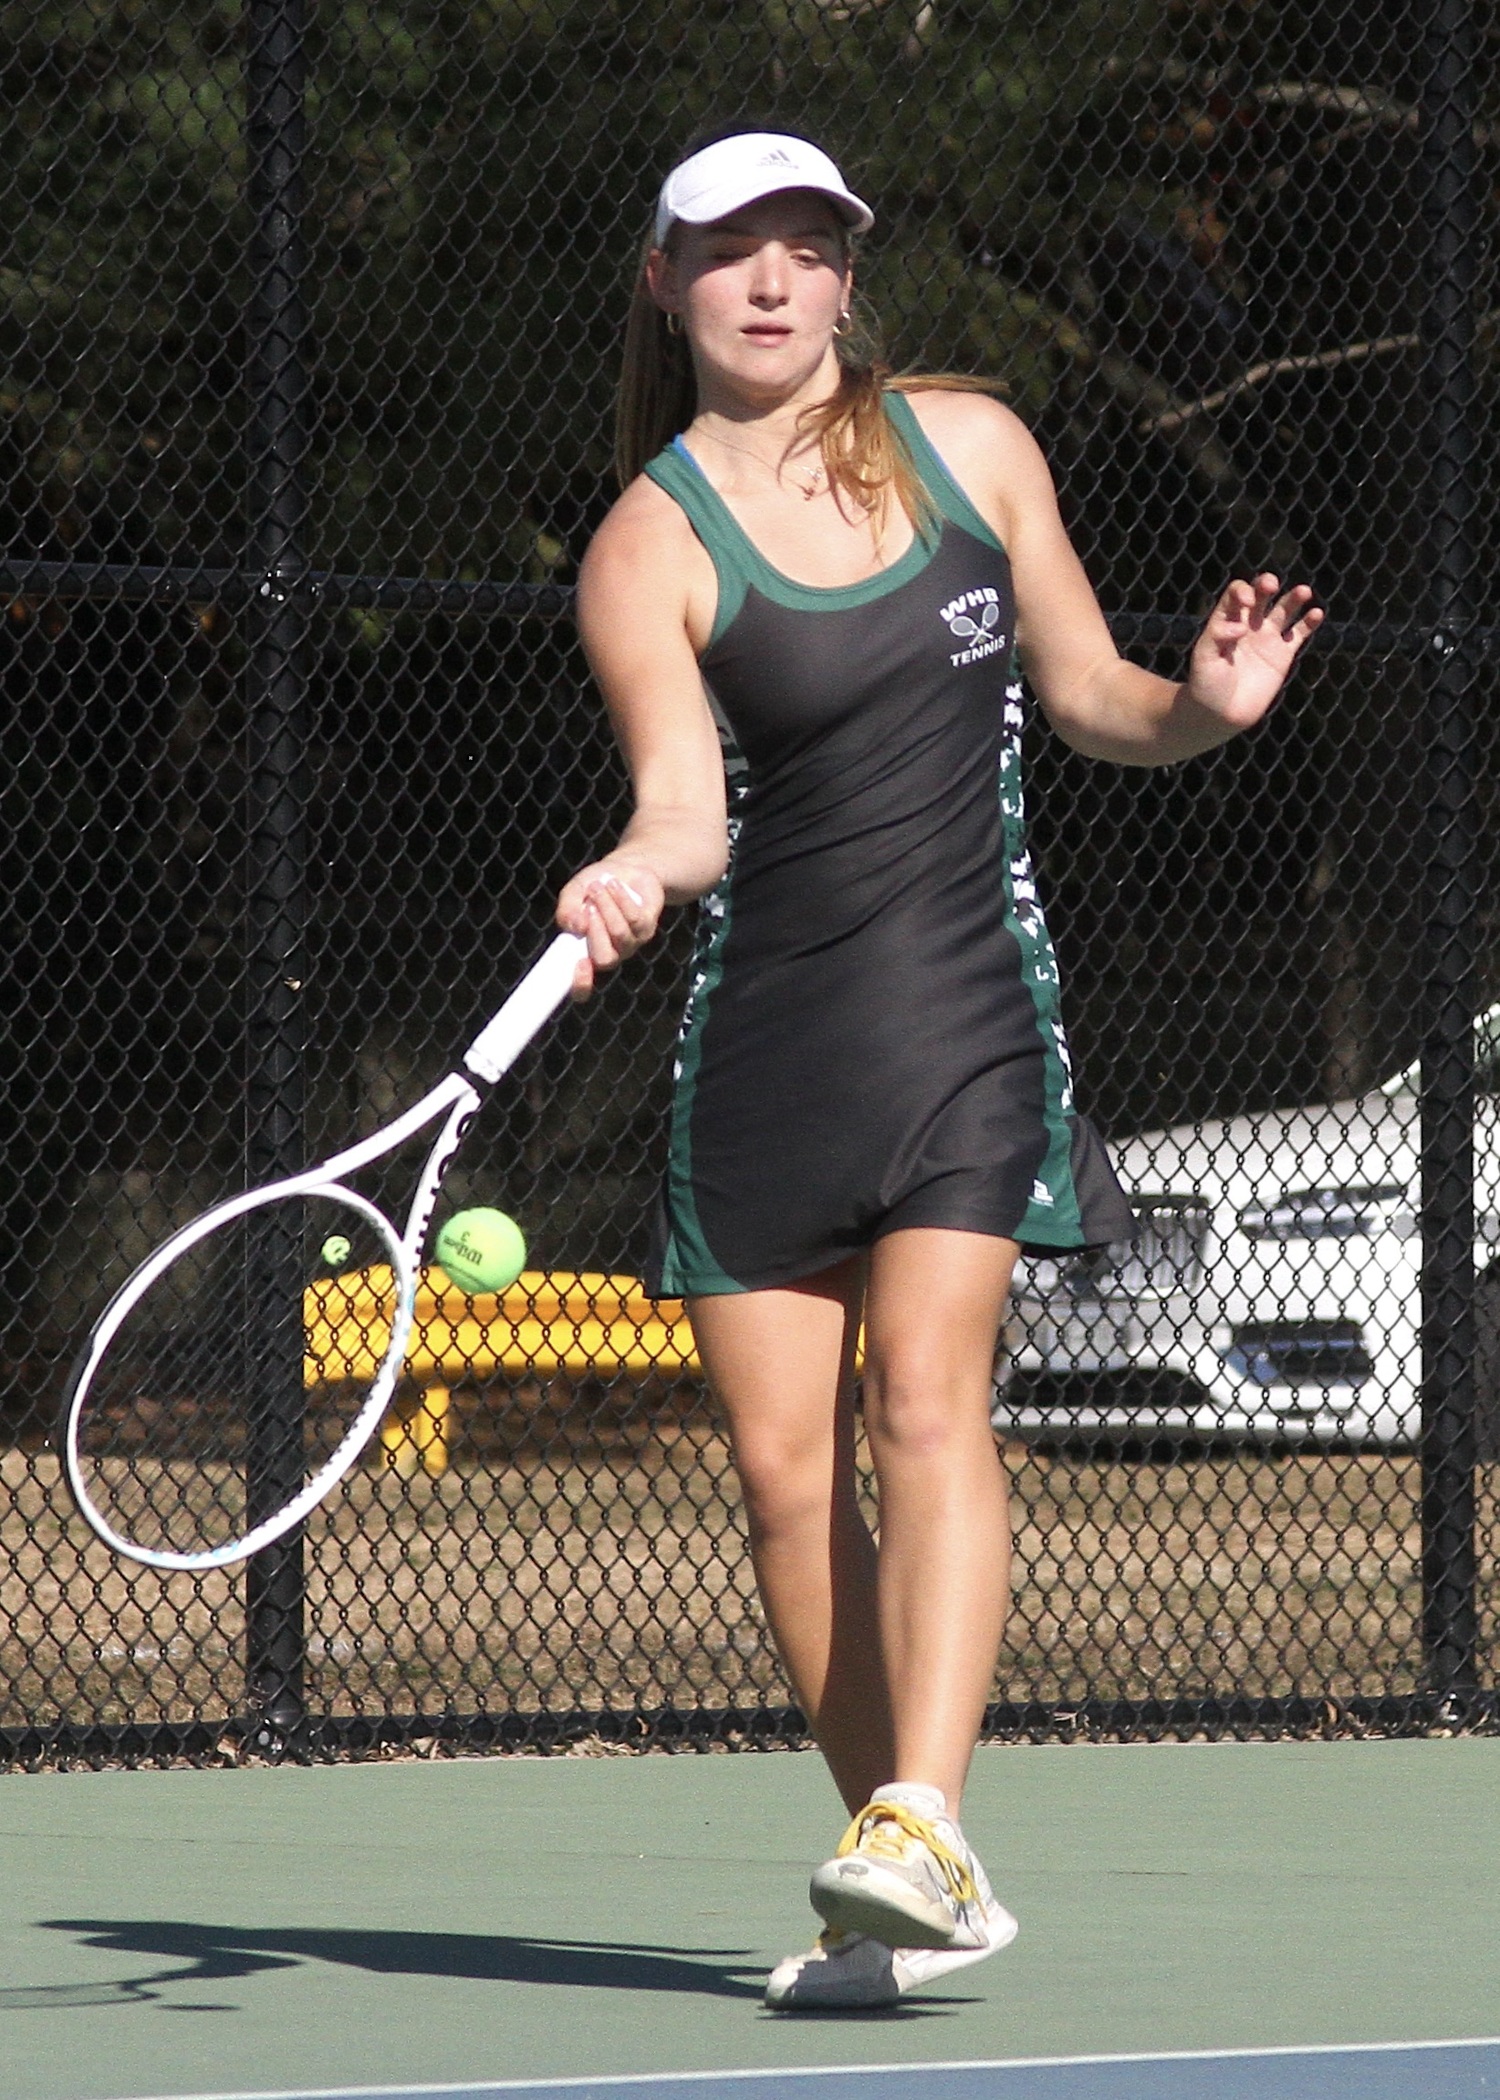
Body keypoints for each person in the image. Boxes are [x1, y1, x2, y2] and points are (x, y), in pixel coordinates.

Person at [556, 128, 1322, 2009]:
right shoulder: (645, 544)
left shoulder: (972, 446)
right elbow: (684, 811)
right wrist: (628, 872)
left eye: (807, 249)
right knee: (783, 1480)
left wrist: (1200, 710)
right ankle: (900, 1872)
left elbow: (1088, 696)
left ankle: (918, 1807)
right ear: (667, 282)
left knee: (926, 1401)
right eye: (731, 249)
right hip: (764, 1047)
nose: (772, 281)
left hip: (970, 1019)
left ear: (844, 280)